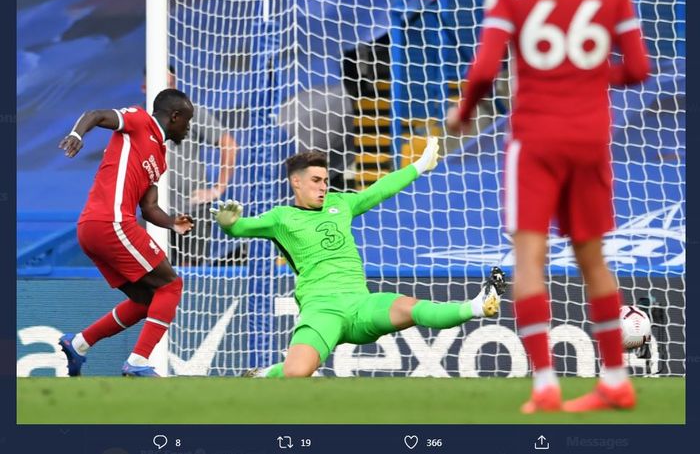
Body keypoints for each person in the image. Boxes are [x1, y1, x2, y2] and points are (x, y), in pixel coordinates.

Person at [447, 0, 649, 412]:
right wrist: (587, 76)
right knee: (594, 261)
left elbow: (485, 68)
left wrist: (463, 113)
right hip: (591, 138)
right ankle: (615, 380)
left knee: (528, 260)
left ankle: (545, 386)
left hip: (536, 140)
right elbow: (637, 68)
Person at [210, 144, 507, 377]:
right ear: (296, 183)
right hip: (321, 309)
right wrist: (228, 223)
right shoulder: (281, 218)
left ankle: (478, 305)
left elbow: (380, 190)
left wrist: (418, 166)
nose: (323, 186)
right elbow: (241, 228)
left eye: (326, 180)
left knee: (411, 307)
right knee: (296, 371)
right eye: (316, 180)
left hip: (361, 304)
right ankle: (266, 375)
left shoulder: (342, 204)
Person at [57, 89, 195, 377]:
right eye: (188, 121)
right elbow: (95, 115)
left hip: (93, 229)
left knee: (148, 301)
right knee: (171, 286)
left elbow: (149, 207)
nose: (189, 128)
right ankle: (138, 361)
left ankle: (79, 343)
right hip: (111, 223)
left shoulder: (160, 157)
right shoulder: (138, 120)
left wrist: (172, 223)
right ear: (175, 116)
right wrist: (77, 135)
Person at [143, 67, 239, 265]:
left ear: (175, 85)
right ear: (145, 87)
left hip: (192, 209)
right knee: (153, 270)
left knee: (190, 274)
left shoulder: (191, 114)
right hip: (152, 209)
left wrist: (217, 189)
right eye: (159, 85)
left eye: (169, 85)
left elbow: (228, 144)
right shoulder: (139, 118)